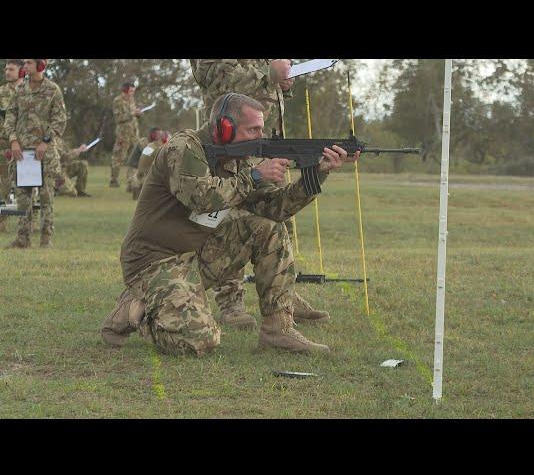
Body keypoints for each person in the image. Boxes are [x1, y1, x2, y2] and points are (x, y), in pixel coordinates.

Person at [101, 92, 358, 355]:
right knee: (199, 341)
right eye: (253, 129)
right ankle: (137, 309)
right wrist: (255, 176)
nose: (260, 136)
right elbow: (201, 199)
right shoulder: (184, 148)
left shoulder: (239, 160)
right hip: (153, 261)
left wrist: (317, 173)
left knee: (268, 229)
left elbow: (275, 208)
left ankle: (278, 331)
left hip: (196, 255)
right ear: (224, 127)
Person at [189, 59, 326, 329]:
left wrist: (284, 82)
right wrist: (269, 74)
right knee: (230, 217)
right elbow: (214, 74)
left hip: (267, 140)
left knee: (279, 218)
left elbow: (270, 85)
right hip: (232, 141)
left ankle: (282, 296)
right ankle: (231, 302)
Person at [4, 59, 66, 248]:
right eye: (25, 63)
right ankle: (23, 239)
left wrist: (45, 141)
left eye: (29, 63)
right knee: (23, 198)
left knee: (46, 197)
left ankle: (46, 240)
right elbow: (10, 116)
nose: (25, 66)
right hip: (23, 153)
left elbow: (60, 119)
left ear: (40, 66)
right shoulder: (20, 90)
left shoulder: (52, 90)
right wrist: (13, 140)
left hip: (44, 153)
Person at [0, 59, 24, 233]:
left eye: (11, 69)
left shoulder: (28, 91)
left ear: (21, 71)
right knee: (4, 183)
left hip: (25, 144)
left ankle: (29, 220)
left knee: (28, 184)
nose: (7, 72)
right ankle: (2, 220)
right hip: (3, 144)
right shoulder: (1, 92)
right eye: (6, 69)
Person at [110, 81, 141, 189]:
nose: (132, 93)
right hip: (123, 135)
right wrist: (132, 113)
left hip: (134, 134)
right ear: (125, 90)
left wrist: (137, 114)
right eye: (131, 91)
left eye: (134, 91)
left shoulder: (132, 100)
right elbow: (118, 118)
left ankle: (131, 182)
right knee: (119, 157)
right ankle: (113, 180)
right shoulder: (118, 101)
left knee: (135, 158)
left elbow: (133, 116)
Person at [129, 127, 167, 200]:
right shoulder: (156, 148)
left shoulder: (149, 146)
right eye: (161, 134)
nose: (164, 136)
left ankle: (137, 189)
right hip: (147, 178)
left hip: (140, 176)